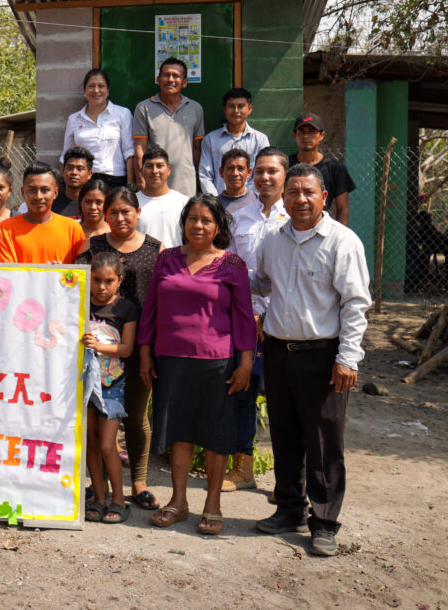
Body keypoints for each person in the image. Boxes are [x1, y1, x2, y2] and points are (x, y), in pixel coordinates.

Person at [253, 163, 371, 556]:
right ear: (283, 199)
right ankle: (289, 509)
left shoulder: (342, 241)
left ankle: (324, 522)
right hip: (278, 353)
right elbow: (261, 282)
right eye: (293, 192)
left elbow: (356, 303)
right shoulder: (273, 240)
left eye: (309, 192)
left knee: (323, 442)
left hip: (324, 358)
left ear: (324, 197)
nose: (300, 199)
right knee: (284, 437)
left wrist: (348, 359)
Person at [139, 195, 255, 535]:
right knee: (180, 433)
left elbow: (245, 318)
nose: (198, 225)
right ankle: (178, 502)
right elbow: (150, 309)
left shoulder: (232, 265)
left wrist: (245, 362)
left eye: (206, 220)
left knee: (216, 436)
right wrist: (145, 352)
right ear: (184, 223)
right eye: (192, 219)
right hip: (171, 361)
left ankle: (213, 504)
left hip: (217, 363)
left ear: (218, 225)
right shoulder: (167, 260)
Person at [76, 187, 162, 510]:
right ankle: (99, 492)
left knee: (137, 415)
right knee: (96, 425)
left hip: (138, 340)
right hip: (96, 347)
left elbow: (160, 300)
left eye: (126, 211)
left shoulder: (155, 249)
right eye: (113, 212)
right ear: (105, 215)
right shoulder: (93, 247)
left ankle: (138, 482)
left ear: (138, 212)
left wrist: (147, 350)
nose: (120, 217)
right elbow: (73, 282)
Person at [221, 146, 290, 493]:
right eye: (259, 171)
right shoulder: (241, 218)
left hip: (283, 322)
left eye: (272, 171)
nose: (264, 177)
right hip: (246, 320)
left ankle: (288, 478)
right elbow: (233, 270)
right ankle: (243, 467)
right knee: (244, 392)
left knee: (282, 399)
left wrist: (267, 312)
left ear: (284, 176)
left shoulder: (295, 219)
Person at [81, 252, 138, 524]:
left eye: (108, 281)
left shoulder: (125, 309)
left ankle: (119, 498)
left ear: (120, 281)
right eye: (96, 280)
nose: (101, 287)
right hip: (84, 385)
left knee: (107, 446)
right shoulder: (80, 302)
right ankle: (99, 498)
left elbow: (126, 349)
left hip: (112, 386)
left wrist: (98, 346)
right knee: (91, 443)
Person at [132, 57, 205, 196]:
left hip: (186, 184)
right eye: (166, 75)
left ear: (185, 82)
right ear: (158, 80)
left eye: (176, 76)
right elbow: (140, 148)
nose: (170, 79)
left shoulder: (195, 109)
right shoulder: (144, 108)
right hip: (154, 181)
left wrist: (198, 181)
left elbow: (197, 149)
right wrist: (141, 180)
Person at [0, 161, 86, 264]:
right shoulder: (6, 229)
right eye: (32, 190)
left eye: (45, 190)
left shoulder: (73, 229)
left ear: (55, 193)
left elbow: (80, 274)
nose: (38, 196)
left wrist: (60, 275)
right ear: (23, 193)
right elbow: (8, 276)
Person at [61, 69, 135, 189]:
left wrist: (130, 185)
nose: (96, 90)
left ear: (108, 90)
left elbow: (129, 152)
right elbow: (65, 156)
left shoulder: (122, 114)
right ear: (84, 90)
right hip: (85, 183)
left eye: (101, 86)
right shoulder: (74, 119)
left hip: (116, 181)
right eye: (91, 86)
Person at [198, 88, 271, 196]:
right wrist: (215, 202)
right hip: (219, 204)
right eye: (231, 106)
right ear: (224, 109)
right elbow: (205, 175)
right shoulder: (210, 139)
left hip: (252, 204)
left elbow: (263, 172)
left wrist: (250, 199)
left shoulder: (260, 140)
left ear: (249, 109)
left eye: (241, 106)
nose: (236, 111)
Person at [289, 113, 355, 225]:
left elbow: (343, 208)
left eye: (312, 132)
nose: (306, 136)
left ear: (322, 135)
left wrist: (339, 238)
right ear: (295, 135)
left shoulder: (335, 167)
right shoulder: (285, 165)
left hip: (321, 228)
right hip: (290, 226)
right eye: (302, 132)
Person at [136, 146, 189, 248]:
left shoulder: (184, 202)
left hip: (175, 263)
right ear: (141, 170)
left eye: (159, 166)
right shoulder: (132, 202)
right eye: (149, 166)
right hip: (141, 263)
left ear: (169, 170)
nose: (155, 171)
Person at [54, 147, 95, 218]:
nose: (74, 172)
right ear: (63, 171)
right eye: (70, 168)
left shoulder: (95, 205)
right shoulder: (52, 202)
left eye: (80, 169)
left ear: (89, 174)